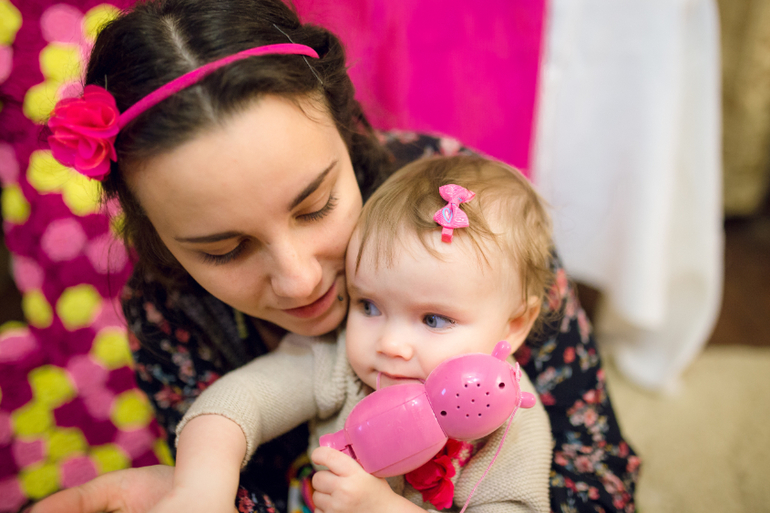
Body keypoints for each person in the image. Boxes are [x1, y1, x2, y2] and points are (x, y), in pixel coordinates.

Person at [31, 0, 639, 512]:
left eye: (316, 206)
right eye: (225, 249)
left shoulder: (460, 211)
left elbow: (599, 480)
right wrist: (191, 489)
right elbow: (231, 430)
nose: (299, 281)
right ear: (162, 239)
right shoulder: (167, 305)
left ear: (346, 131)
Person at [153, 155, 555, 513]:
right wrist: (201, 487)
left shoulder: (510, 421)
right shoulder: (339, 363)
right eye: (370, 307)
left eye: (433, 320)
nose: (390, 344)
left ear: (515, 324)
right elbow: (241, 401)